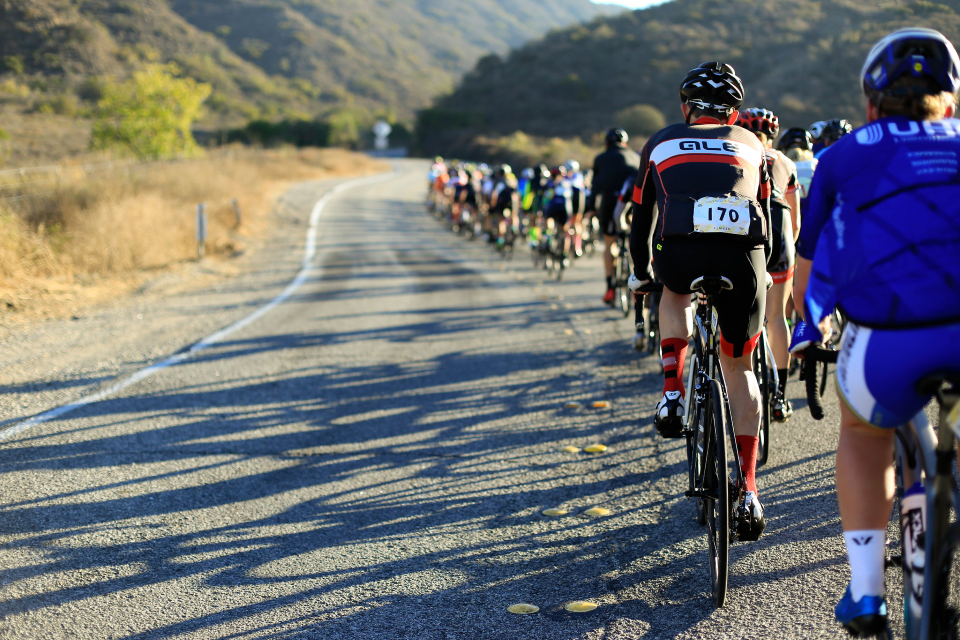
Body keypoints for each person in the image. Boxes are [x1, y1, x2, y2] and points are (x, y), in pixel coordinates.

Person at [792, 28, 960, 636]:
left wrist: (805, 326)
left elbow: (808, 262)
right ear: (951, 101)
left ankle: (865, 591)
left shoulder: (844, 154)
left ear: (870, 104)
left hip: (885, 344)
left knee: (863, 432)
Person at [629, 61, 773, 540]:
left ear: (686, 107)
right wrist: (763, 274)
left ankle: (673, 390)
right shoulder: (753, 144)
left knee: (672, 292)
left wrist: (639, 273)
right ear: (734, 113)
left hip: (681, 252)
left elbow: (640, 217)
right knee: (741, 370)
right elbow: (767, 216)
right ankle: (750, 489)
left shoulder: (662, 141)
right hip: (744, 259)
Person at [737, 108, 800, 420]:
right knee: (776, 317)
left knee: (739, 311)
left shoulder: (738, 151)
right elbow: (797, 219)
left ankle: (738, 386)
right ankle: (780, 396)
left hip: (749, 234)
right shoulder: (786, 162)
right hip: (781, 231)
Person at [585, 128, 641, 305]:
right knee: (634, 244)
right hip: (632, 204)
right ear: (625, 143)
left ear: (606, 143)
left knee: (609, 243)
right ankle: (636, 283)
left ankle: (610, 287)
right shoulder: (636, 157)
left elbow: (595, 186)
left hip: (610, 203)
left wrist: (591, 208)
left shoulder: (600, 158)